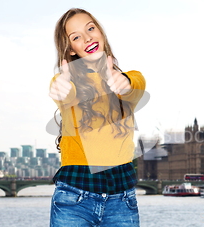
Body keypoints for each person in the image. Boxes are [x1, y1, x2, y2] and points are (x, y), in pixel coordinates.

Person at [48, 8, 145, 227]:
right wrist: (61, 87)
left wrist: (125, 83)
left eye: (90, 28)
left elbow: (136, 84)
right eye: (76, 37)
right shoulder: (66, 81)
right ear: (71, 50)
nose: (87, 37)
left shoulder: (129, 79)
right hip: (75, 199)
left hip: (122, 200)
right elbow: (64, 92)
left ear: (100, 32)